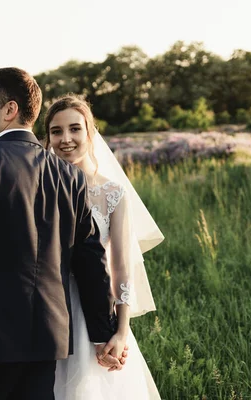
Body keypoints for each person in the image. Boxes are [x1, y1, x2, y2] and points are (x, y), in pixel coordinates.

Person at [0, 68, 123, 400]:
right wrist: (103, 333)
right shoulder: (69, 177)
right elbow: (91, 260)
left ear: (9, 109)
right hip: (44, 345)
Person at [45, 95, 164, 400]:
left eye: (75, 129)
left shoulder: (112, 193)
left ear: (90, 132)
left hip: (93, 311)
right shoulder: (39, 187)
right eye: (56, 131)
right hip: (48, 310)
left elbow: (122, 266)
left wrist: (121, 331)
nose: (66, 139)